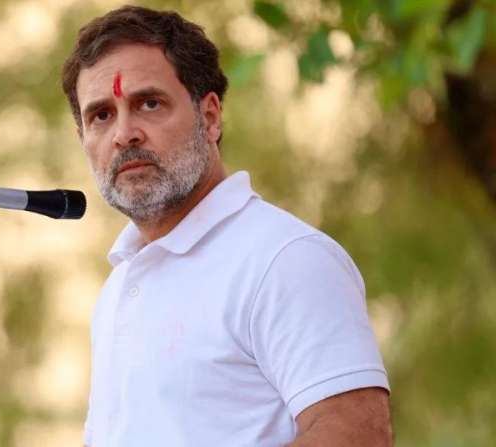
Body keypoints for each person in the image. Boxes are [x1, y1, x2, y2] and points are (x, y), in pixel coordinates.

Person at [61, 5, 392, 447]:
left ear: (210, 117)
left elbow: (358, 436)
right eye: (101, 115)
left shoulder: (284, 259)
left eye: (149, 103)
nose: (125, 134)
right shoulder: (117, 288)